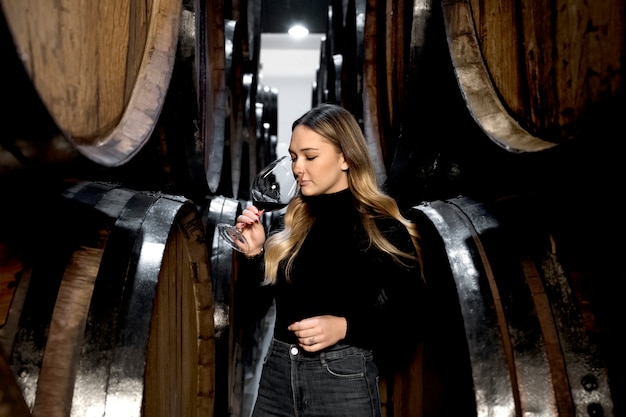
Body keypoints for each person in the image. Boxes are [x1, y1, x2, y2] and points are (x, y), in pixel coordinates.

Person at [234, 103, 426, 417]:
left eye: (310, 156)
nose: (297, 168)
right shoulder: (290, 224)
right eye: (294, 157)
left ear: (346, 158)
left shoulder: (380, 226)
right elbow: (251, 311)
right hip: (278, 375)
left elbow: (410, 316)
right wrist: (254, 254)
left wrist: (347, 327)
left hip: (341, 378)